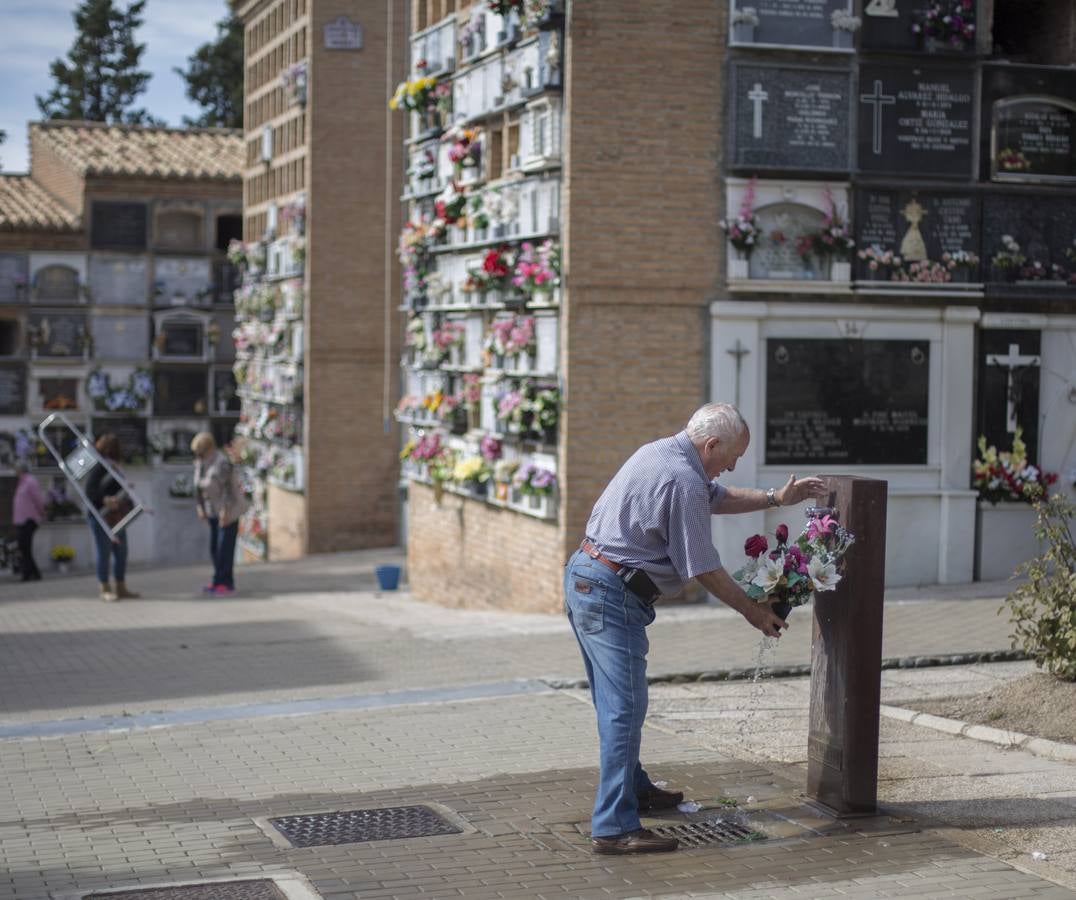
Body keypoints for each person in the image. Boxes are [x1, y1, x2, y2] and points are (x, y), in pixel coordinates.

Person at [565, 402, 827, 855]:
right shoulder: (683, 479)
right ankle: (613, 827)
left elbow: (719, 498)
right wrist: (754, 611)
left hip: (589, 579)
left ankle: (635, 789)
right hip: (610, 593)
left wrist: (774, 499)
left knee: (617, 703)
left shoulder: (665, 453)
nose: (732, 465)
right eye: (732, 456)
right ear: (711, 444)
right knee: (623, 709)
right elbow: (703, 566)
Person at [85, 433, 140, 602]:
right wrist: (106, 500)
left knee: (121, 552)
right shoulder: (99, 466)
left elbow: (116, 488)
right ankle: (104, 588)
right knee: (105, 552)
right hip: (101, 516)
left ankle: (120, 586)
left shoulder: (115, 466)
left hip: (116, 516)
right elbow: (90, 491)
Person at [192, 432, 248, 596]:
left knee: (224, 548)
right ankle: (218, 580)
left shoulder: (221, 463)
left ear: (209, 448)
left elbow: (226, 490)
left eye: (201, 451)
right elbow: (197, 488)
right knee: (215, 548)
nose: (199, 455)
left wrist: (225, 511)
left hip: (228, 512)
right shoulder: (201, 463)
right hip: (212, 512)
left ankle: (226, 582)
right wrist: (200, 507)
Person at [12, 460, 45, 581]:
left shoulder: (30, 481)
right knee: (24, 548)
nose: (15, 471)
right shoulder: (21, 482)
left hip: (28, 520)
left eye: (16, 468)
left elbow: (38, 499)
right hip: (21, 520)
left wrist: (41, 513)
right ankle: (34, 573)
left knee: (24, 547)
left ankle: (28, 574)